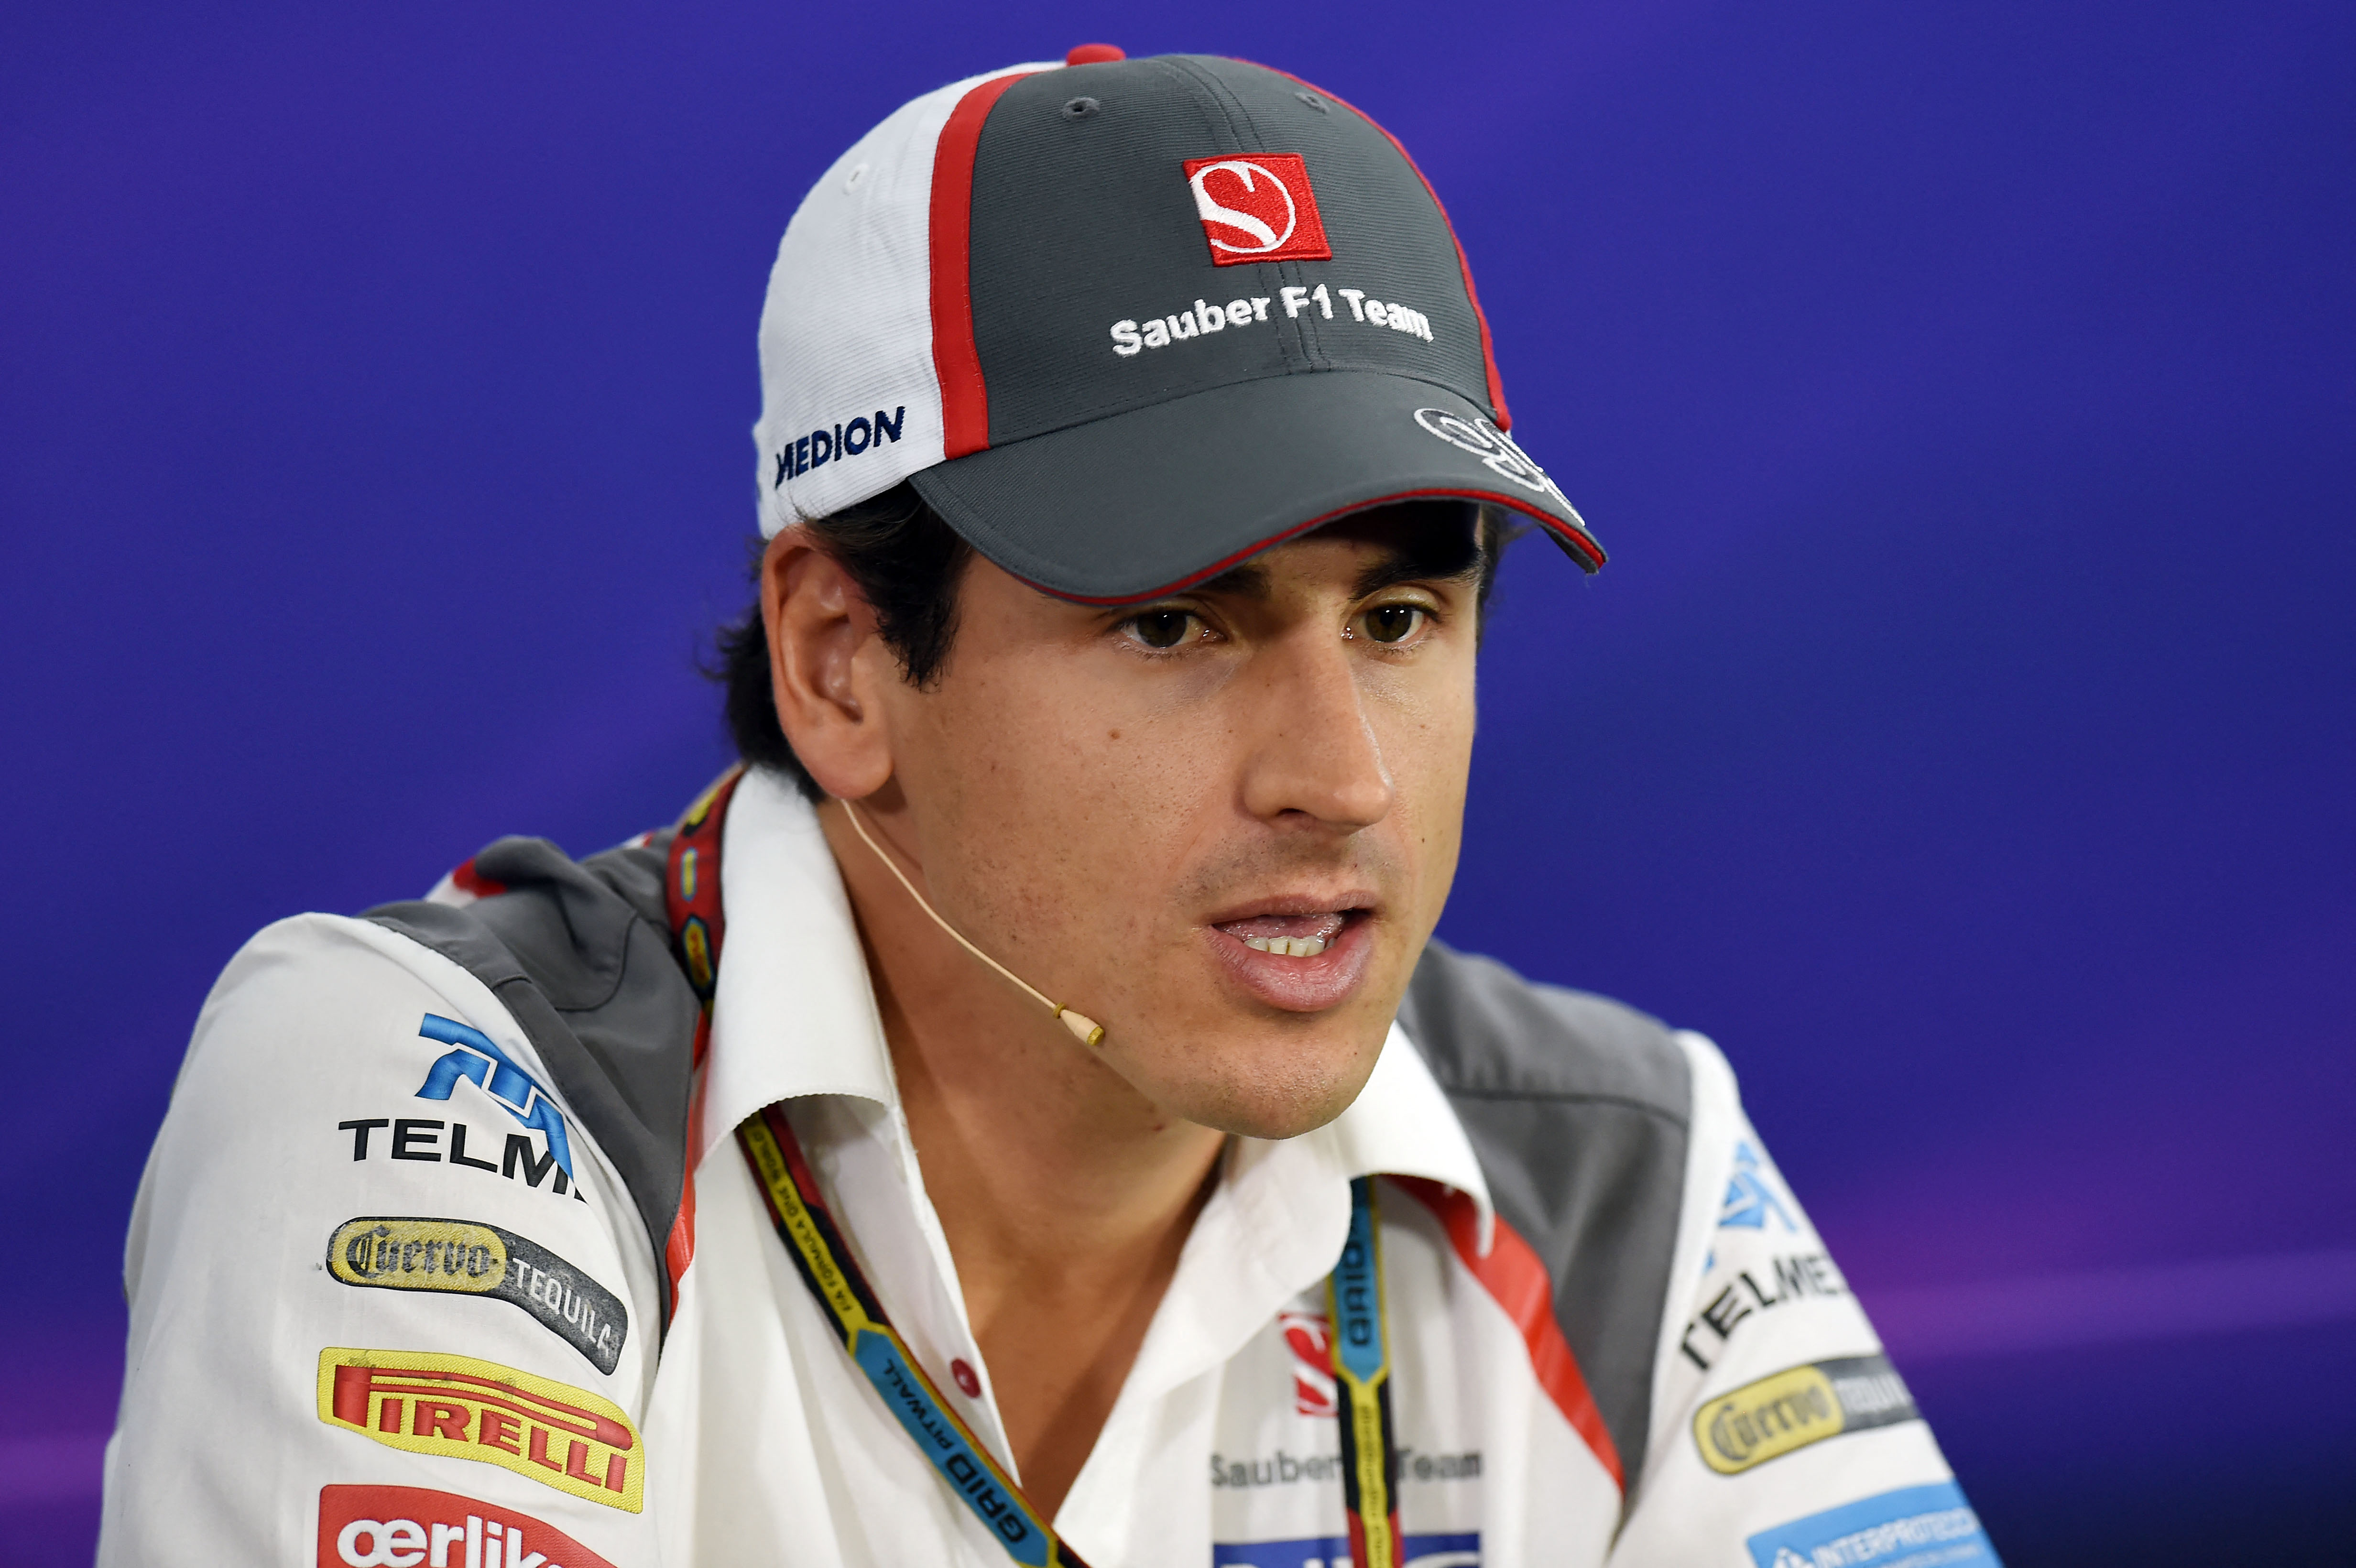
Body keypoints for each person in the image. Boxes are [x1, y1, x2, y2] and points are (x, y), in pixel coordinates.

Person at [100, 46, 1997, 1568]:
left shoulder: (1628, 1169)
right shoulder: (432, 1084)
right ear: (842, 657)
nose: (1337, 776)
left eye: (1401, 613)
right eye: (1173, 620)